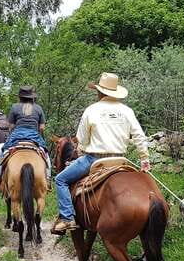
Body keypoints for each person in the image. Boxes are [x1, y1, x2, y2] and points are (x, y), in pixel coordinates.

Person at [52, 73, 150, 234]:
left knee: (60, 180)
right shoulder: (127, 111)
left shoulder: (92, 110)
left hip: (94, 159)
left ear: (99, 92)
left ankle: (67, 217)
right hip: (121, 160)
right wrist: (144, 160)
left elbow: (82, 139)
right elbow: (139, 136)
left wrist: (83, 147)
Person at [0, 86, 49, 189]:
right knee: (46, 156)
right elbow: (42, 127)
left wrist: (11, 134)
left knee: (1, 154)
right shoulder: (38, 108)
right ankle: (47, 179)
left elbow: (11, 126)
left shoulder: (15, 107)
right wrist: (39, 135)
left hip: (17, 136)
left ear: (20, 97)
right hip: (34, 137)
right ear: (32, 97)